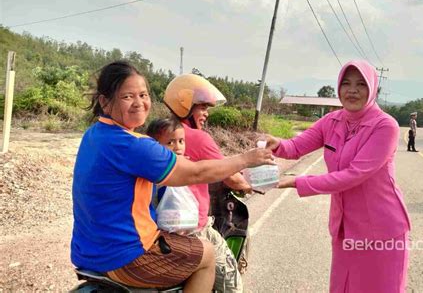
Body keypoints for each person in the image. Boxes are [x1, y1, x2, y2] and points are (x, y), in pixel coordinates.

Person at [71, 61, 274, 293]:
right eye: (128, 97)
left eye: (143, 94)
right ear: (105, 102)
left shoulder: (95, 134)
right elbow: (198, 172)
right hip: (124, 255)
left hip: (88, 251)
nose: (139, 103)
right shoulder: (134, 145)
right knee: (207, 254)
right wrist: (247, 159)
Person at [263, 60, 411, 293]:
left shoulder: (385, 126)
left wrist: (295, 181)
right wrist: (277, 144)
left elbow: (353, 175)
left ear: (373, 89)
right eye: (346, 83)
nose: (352, 90)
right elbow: (295, 146)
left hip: (382, 230)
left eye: (361, 84)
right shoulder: (331, 121)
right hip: (345, 227)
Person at [163, 74, 251, 293]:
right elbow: (230, 176)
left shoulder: (160, 134)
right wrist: (248, 184)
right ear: (185, 105)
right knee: (233, 287)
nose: (206, 114)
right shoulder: (198, 138)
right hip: (195, 226)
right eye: (202, 107)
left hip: (163, 223)